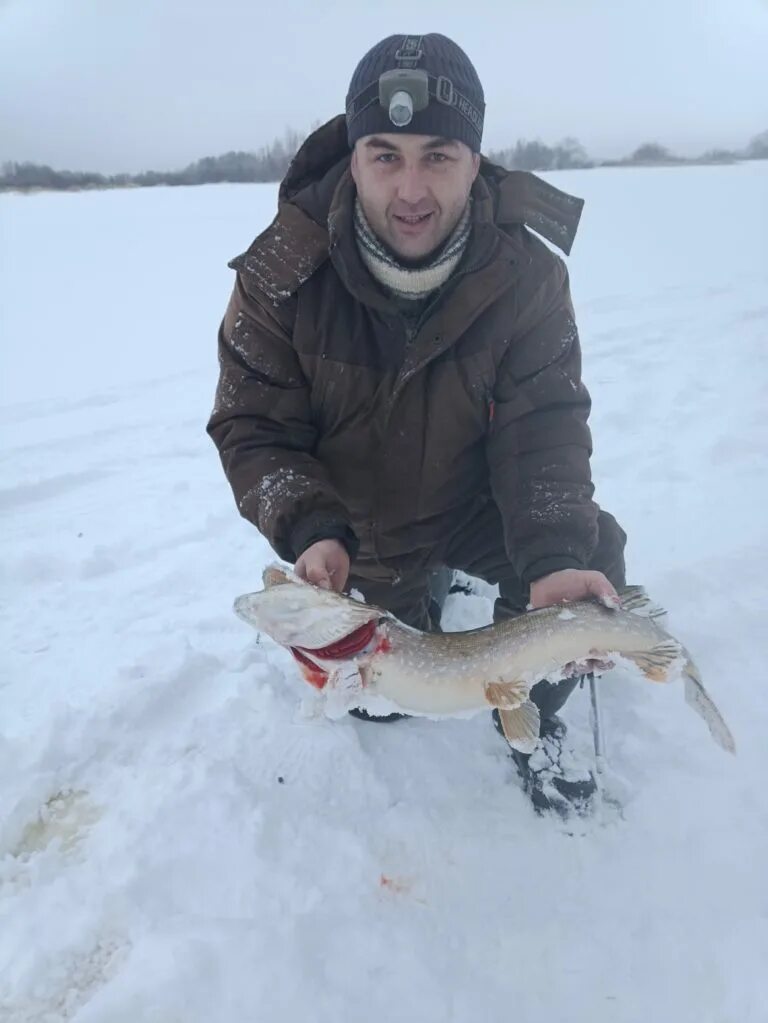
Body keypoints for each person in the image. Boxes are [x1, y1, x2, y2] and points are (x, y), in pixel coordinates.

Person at [207, 33, 628, 816]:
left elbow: (544, 427)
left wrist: (552, 551)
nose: (410, 188)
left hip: (472, 502)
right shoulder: (282, 273)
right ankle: (411, 586)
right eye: (384, 154)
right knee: (385, 698)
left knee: (589, 556)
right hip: (355, 528)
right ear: (353, 153)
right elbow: (253, 425)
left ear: (475, 158)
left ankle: (535, 725)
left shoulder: (528, 276)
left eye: (437, 155)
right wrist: (311, 529)